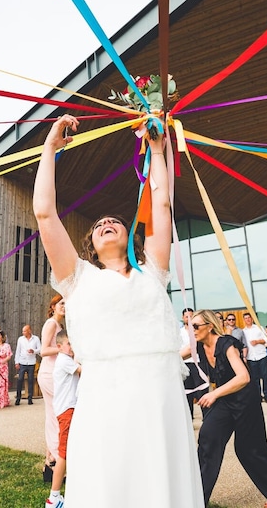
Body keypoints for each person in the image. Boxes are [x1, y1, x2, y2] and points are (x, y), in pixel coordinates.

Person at [33, 114, 204, 506]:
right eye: (99, 225)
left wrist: (157, 150)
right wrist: (49, 149)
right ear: (91, 244)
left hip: (159, 389)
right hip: (105, 392)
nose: (107, 222)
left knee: (161, 476)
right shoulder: (77, 278)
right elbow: (45, 213)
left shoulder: (153, 272)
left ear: (129, 237)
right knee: (111, 477)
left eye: (115, 221)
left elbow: (161, 204)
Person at [193, 310, 267, 508]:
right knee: (208, 437)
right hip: (225, 401)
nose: (192, 330)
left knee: (248, 452)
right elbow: (172, 354)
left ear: (209, 326)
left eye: (196, 326)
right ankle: (196, 501)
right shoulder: (199, 345)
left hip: (244, 401)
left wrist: (214, 394)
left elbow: (244, 377)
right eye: (190, 326)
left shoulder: (227, 344)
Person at [45, 330, 81, 508]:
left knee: (68, 450)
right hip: (66, 410)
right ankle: (54, 497)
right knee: (63, 453)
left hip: (67, 409)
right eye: (69, 344)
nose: (72, 347)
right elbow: (83, 371)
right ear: (59, 347)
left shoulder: (66, 359)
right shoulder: (65, 360)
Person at [38, 294, 66, 470]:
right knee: (58, 413)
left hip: (57, 373)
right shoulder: (51, 324)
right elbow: (44, 350)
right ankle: (56, 456)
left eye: (66, 304)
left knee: (53, 414)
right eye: (61, 303)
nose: (64, 306)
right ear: (53, 306)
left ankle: (51, 458)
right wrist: (65, 349)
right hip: (49, 374)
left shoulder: (60, 325)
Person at [179, 307, 208, 418]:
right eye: (187, 317)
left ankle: (206, 417)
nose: (189, 319)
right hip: (185, 364)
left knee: (202, 392)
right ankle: (189, 418)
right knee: (187, 394)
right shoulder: (179, 332)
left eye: (191, 316)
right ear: (183, 318)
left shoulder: (198, 331)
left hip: (198, 364)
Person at [242, 312, 267, 403]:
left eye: (249, 318)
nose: (248, 319)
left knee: (265, 376)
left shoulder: (259, 328)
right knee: (255, 379)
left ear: (252, 319)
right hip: (251, 357)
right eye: (246, 318)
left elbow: (266, 339)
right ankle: (258, 396)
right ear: (244, 320)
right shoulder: (243, 331)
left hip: (261, 355)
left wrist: (258, 341)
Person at [14, 324, 41, 406]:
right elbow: (18, 350)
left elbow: (40, 348)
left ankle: (30, 398)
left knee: (30, 381)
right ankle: (18, 398)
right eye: (23, 331)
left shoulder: (35, 339)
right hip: (22, 362)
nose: (23, 332)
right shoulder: (20, 339)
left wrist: (34, 351)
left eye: (25, 331)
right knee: (20, 380)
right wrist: (16, 362)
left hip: (31, 362)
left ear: (29, 330)